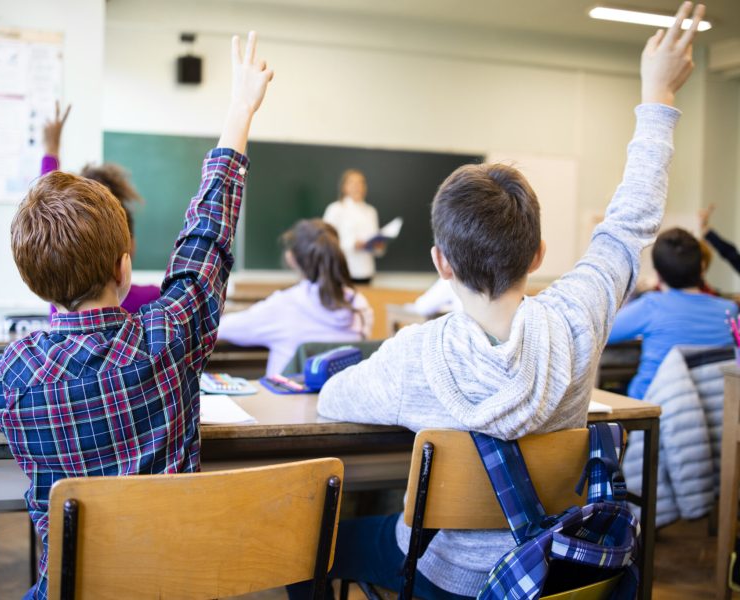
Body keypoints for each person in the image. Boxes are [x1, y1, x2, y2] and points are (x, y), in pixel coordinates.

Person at [287, 4, 705, 598]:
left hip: (443, 579)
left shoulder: (414, 356)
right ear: (537, 255)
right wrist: (656, 94)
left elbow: (332, 401)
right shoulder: (577, 318)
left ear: (440, 262)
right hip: (547, 570)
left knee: (311, 540)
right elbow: (630, 222)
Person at [0, 32, 273, 600]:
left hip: (71, 590)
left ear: (33, 281)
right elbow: (208, 238)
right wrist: (240, 109)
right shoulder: (170, 333)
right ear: (126, 269)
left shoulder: (15, 376)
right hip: (173, 586)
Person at [41, 103, 160, 313]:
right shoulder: (151, 301)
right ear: (129, 250)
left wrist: (51, 150)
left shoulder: (59, 300)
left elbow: (48, 212)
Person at [219, 219, 373, 376]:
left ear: (291, 258)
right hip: (339, 399)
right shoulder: (360, 305)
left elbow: (222, 328)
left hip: (286, 398)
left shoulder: (284, 305)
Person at [608, 227, 736, 399]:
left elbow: (602, 332)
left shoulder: (652, 305)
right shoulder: (730, 311)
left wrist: (635, 290)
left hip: (653, 409)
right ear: (701, 268)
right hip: (715, 410)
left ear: (658, 275)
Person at [323, 169, 382, 285]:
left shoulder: (371, 211)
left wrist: (378, 246)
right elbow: (326, 240)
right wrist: (352, 244)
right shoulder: (335, 209)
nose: (358, 186)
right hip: (342, 271)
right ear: (344, 187)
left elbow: (375, 245)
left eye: (361, 183)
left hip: (366, 272)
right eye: (353, 183)